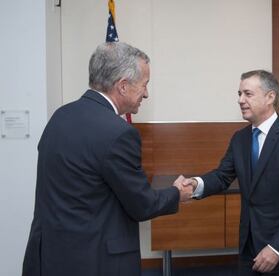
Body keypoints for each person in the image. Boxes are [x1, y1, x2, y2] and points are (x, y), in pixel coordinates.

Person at [22, 42, 193, 276]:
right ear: (123, 86)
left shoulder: (60, 117)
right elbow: (142, 205)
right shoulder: (118, 133)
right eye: (144, 85)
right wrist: (177, 194)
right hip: (95, 261)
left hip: (51, 256)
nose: (146, 93)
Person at [181, 70, 279, 275]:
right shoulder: (240, 138)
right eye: (239, 94)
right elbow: (222, 176)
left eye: (247, 94)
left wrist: (276, 248)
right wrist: (195, 184)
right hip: (249, 245)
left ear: (270, 97)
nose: (240, 100)